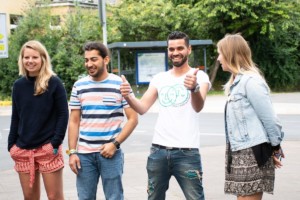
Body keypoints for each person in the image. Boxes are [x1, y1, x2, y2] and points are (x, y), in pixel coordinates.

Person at [120, 31, 210, 200]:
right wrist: (128, 96)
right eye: (171, 49)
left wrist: (194, 88)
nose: (175, 52)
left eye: (180, 48)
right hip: (158, 152)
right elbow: (142, 108)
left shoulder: (200, 77)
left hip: (187, 153)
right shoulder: (160, 78)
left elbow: (198, 106)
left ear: (189, 49)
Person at [216, 33, 285, 200]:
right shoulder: (235, 84)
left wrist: (275, 147)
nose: (218, 58)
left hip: (252, 150)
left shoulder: (251, 82)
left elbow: (269, 118)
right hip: (238, 151)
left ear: (230, 55)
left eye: (220, 53)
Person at [68, 41, 138, 200]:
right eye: (86, 60)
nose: (89, 64)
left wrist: (115, 144)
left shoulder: (120, 84)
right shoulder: (79, 86)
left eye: (93, 59)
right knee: (85, 198)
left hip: (111, 154)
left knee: (114, 197)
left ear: (105, 60)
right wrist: (72, 152)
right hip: (84, 155)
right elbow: (74, 121)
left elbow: (133, 119)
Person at [7, 40, 69, 200]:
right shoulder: (18, 85)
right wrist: (11, 145)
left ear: (43, 58)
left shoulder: (54, 83)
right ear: (21, 60)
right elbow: (16, 117)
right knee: (30, 197)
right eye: (26, 57)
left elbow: (63, 115)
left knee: (54, 197)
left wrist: (55, 143)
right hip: (23, 150)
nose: (30, 61)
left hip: (48, 149)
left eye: (34, 57)